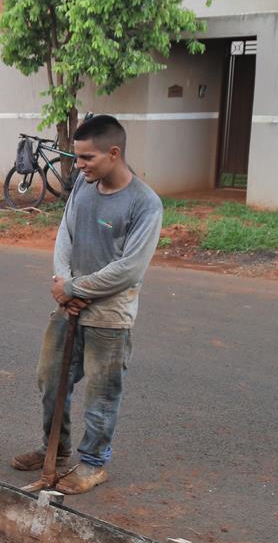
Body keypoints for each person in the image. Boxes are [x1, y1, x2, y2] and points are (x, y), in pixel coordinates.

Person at [10, 114, 163, 494]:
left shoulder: (145, 204)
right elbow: (67, 233)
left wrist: (77, 287)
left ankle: (94, 464)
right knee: (50, 379)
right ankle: (56, 451)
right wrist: (63, 284)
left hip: (110, 316)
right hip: (69, 305)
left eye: (86, 158)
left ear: (114, 153)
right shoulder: (82, 183)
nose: (78, 166)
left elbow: (129, 269)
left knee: (101, 392)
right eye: (76, 158)